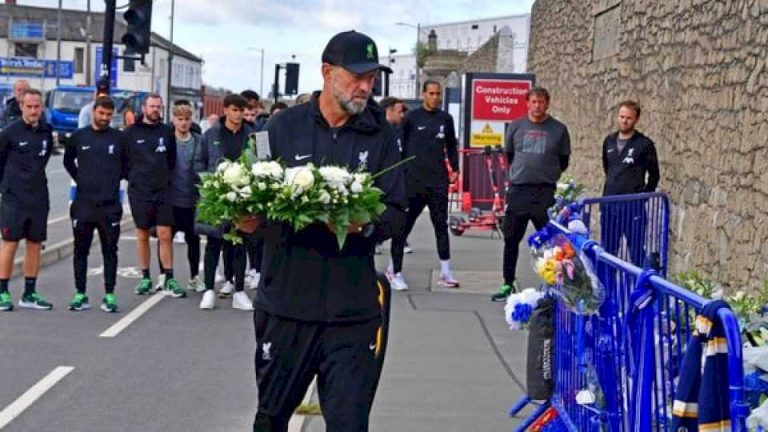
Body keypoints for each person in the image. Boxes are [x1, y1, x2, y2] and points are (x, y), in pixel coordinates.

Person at [242, 30, 406, 431]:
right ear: (327, 72)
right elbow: (249, 201)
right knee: (270, 419)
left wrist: (365, 225)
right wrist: (246, 224)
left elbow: (397, 210)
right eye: (358, 77)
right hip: (286, 307)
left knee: (349, 424)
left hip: (352, 312)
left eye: (372, 78)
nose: (366, 87)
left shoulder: (381, 135)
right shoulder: (280, 128)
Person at [491, 87, 571, 302]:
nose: (537, 106)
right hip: (519, 190)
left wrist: (547, 173)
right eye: (533, 102)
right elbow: (509, 154)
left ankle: (555, 284)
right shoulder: (516, 127)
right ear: (527, 103)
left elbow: (563, 160)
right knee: (511, 240)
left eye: (541, 102)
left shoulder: (559, 129)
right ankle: (508, 282)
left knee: (551, 242)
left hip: (544, 192)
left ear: (548, 103)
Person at [388, 80, 460, 291]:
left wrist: (455, 168)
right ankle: (395, 270)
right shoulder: (411, 118)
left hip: (437, 181)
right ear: (423, 94)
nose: (435, 97)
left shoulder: (445, 119)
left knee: (440, 225)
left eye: (438, 94)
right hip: (413, 181)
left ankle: (446, 272)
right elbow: (399, 147)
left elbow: (451, 146)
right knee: (404, 226)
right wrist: (398, 175)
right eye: (431, 93)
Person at [64, 96, 130, 312]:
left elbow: (127, 167)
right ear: (94, 111)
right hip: (84, 204)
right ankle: (80, 293)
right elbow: (68, 161)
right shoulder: (78, 137)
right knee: (80, 250)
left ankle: (109, 295)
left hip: (109, 206)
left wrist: (111, 181)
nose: (104, 118)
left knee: (110, 250)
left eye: (108, 115)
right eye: (101, 113)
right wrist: (82, 178)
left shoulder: (119, 139)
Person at [194, 93, 255, 310]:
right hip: (217, 196)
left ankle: (239, 290)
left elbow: (263, 161)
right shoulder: (210, 134)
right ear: (226, 110)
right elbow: (199, 162)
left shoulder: (253, 135)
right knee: (213, 243)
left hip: (243, 196)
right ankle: (209, 290)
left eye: (241, 111)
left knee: (239, 244)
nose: (238, 115)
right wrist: (209, 184)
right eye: (235, 110)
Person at [125, 93, 186, 298]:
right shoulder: (131, 132)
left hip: (162, 190)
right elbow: (125, 162)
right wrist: (134, 177)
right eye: (151, 106)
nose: (155, 110)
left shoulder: (167, 132)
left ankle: (168, 276)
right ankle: (145, 277)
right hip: (139, 191)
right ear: (144, 108)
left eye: (158, 107)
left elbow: (171, 160)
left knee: (165, 234)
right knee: (142, 233)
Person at [0, 88, 54, 311]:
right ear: (21, 107)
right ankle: (3, 292)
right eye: (29, 107)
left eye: (37, 107)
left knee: (34, 244)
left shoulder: (46, 132)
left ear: (42, 108)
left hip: (38, 198)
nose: (33, 111)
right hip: (14, 199)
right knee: (10, 244)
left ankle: (29, 293)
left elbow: (46, 158)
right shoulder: (9, 133)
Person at [601, 100, 660, 266]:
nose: (624, 121)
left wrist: (642, 196)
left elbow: (654, 175)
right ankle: (608, 289)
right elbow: (608, 168)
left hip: (633, 207)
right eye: (621, 116)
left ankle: (637, 289)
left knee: (636, 252)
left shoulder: (644, 144)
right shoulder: (609, 141)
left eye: (629, 118)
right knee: (608, 251)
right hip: (610, 205)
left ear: (636, 120)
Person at [163, 101, 204, 292]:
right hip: (171, 198)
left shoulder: (197, 140)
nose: (184, 123)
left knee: (193, 239)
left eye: (187, 119)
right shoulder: (168, 140)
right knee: (166, 238)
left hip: (192, 198)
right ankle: (165, 275)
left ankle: (194, 276)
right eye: (180, 119)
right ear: (174, 120)